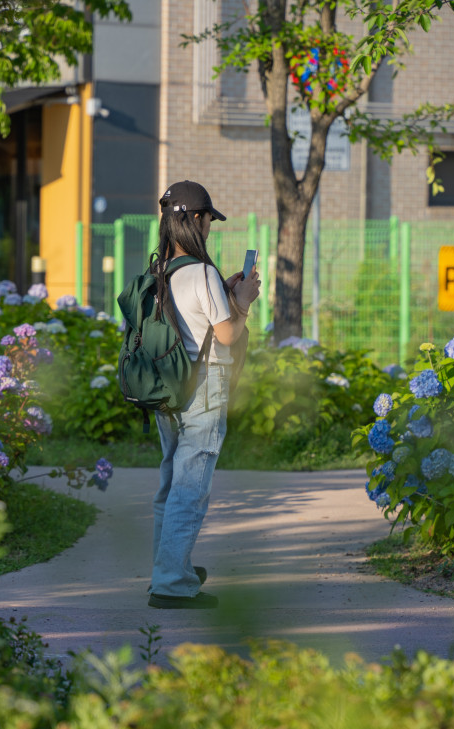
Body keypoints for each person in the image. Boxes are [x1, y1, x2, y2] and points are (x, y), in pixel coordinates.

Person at [147, 180, 260, 609]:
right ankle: (172, 582)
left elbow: (192, 322)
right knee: (190, 489)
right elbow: (227, 334)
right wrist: (243, 301)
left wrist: (227, 296)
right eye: (209, 219)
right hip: (204, 388)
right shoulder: (203, 271)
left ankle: (167, 569)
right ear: (195, 219)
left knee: (170, 484)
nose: (210, 227)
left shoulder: (159, 271)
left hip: (166, 388)